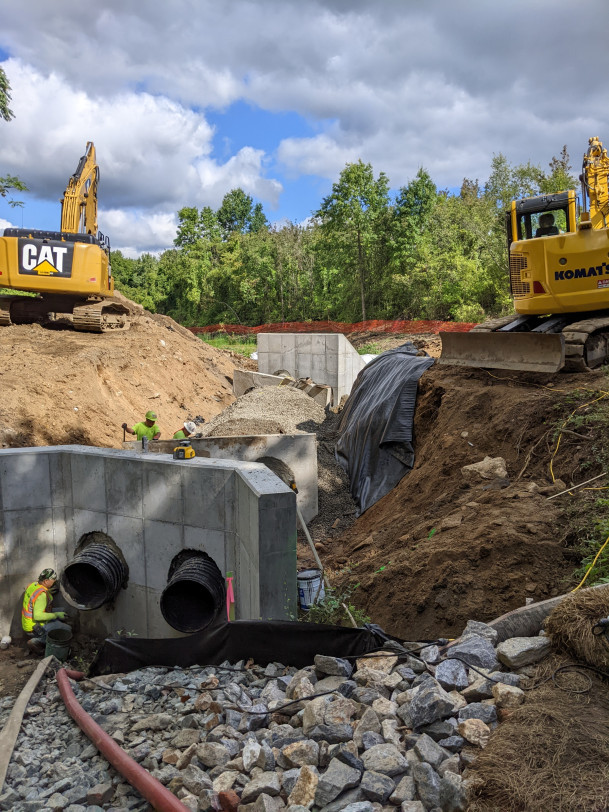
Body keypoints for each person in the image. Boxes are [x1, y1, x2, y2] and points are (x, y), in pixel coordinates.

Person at [22, 568, 68, 653]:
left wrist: (48, 591)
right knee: (67, 628)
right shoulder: (42, 595)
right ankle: (37, 641)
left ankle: (51, 629)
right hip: (35, 628)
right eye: (53, 580)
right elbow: (38, 616)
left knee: (62, 610)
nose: (54, 582)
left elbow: (34, 596)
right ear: (46, 581)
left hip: (28, 623)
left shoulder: (33, 585)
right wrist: (56, 615)